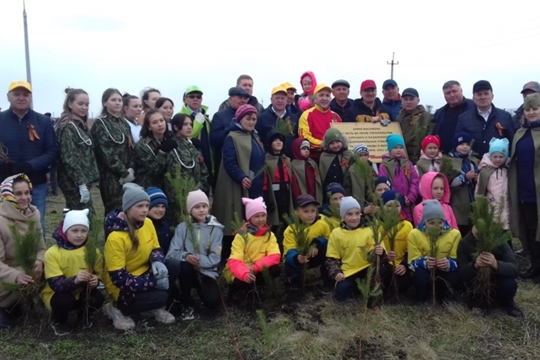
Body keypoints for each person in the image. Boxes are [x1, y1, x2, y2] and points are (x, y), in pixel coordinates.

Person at [103, 184, 175, 330]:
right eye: (140, 206)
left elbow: (156, 248)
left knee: (173, 266)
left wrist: (157, 261)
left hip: (144, 272)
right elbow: (119, 278)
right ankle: (117, 308)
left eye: (147, 205)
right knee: (160, 296)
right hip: (122, 286)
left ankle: (152, 307)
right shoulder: (115, 237)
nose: (145, 210)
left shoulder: (147, 223)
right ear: (128, 208)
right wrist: (153, 283)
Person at [0, 80, 59, 232]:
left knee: (36, 226)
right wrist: (3, 164)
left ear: (31, 97)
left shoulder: (43, 121)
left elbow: (52, 151)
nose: (21, 98)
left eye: (25, 94)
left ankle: (37, 255)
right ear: (8, 97)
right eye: (17, 94)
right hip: (4, 184)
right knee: (6, 227)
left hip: (36, 185)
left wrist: (30, 165)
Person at [213, 104, 265, 261]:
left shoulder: (254, 136)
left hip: (255, 183)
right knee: (235, 221)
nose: (251, 122)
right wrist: (241, 177)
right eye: (248, 118)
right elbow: (229, 162)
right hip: (238, 185)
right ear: (239, 119)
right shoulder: (232, 137)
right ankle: (230, 258)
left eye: (254, 119)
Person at [41, 209, 104, 335]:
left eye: (83, 231)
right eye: (74, 230)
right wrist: (75, 280)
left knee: (97, 297)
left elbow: (98, 274)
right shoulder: (53, 253)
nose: (79, 235)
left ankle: (83, 317)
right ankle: (60, 321)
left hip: (81, 292)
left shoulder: (93, 252)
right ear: (65, 231)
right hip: (58, 295)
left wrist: (95, 282)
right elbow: (56, 285)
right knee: (63, 300)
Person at [166, 190, 222, 320]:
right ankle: (187, 302)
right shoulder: (182, 228)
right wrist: (186, 256)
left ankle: (204, 295)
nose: (201, 210)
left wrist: (200, 261)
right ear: (190, 210)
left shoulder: (216, 229)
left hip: (207, 272)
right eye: (197, 207)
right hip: (189, 270)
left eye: (204, 206)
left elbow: (215, 258)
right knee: (185, 267)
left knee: (213, 302)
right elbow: (171, 254)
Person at [0, 174, 47, 329]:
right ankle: (4, 309)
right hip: (8, 275)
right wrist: (17, 276)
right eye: (18, 193)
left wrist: (40, 261)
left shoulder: (34, 214)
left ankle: (24, 305)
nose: (25, 197)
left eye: (27, 192)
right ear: (8, 195)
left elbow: (41, 247)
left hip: (28, 269)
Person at [326, 197, 385, 304]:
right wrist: (336, 273)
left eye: (357, 213)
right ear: (343, 216)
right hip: (349, 271)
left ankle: (373, 300)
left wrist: (380, 253)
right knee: (342, 292)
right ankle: (357, 289)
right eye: (349, 214)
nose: (354, 218)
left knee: (382, 273)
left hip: (368, 269)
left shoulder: (371, 229)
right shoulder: (336, 233)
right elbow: (332, 259)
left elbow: (379, 258)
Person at [223, 197, 281, 303]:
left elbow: (275, 256)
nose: (261, 219)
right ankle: (236, 293)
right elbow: (234, 260)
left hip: (257, 267)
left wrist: (254, 267)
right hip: (241, 269)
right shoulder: (241, 236)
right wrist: (245, 273)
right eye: (256, 216)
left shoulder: (269, 235)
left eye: (263, 215)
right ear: (249, 218)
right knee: (241, 282)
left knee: (275, 269)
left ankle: (256, 289)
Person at [457, 226, 522, 317]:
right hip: (476, 282)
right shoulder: (464, 243)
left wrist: (496, 264)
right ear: (472, 226)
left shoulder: (499, 241)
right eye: (478, 226)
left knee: (509, 284)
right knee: (470, 286)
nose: (482, 231)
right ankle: (478, 303)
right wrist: (474, 265)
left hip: (497, 280)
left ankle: (507, 304)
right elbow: (462, 273)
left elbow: (514, 269)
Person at [509, 93, 540, 278]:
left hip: (538, 189)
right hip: (524, 189)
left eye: (535, 108)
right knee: (530, 228)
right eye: (528, 109)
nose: (531, 112)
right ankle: (535, 265)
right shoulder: (520, 133)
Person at [55, 88, 99, 216]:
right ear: (70, 104)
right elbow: (69, 158)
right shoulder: (68, 127)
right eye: (80, 104)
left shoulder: (80, 126)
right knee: (86, 218)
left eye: (87, 104)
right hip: (73, 183)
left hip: (82, 182)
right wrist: (80, 184)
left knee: (75, 218)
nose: (84, 107)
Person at [91, 88, 135, 216]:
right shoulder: (101, 123)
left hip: (128, 175)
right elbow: (105, 152)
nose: (117, 103)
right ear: (105, 103)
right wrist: (123, 172)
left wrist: (131, 169)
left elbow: (131, 148)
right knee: (114, 212)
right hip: (110, 177)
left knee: (128, 210)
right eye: (113, 100)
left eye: (120, 100)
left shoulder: (124, 123)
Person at [408, 200, 461, 303]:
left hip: (443, 272)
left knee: (454, 276)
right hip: (425, 271)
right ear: (425, 222)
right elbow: (411, 263)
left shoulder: (455, 234)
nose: (437, 226)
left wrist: (449, 264)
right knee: (420, 275)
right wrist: (424, 262)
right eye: (432, 223)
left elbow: (457, 261)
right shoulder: (414, 234)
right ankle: (421, 298)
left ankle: (445, 298)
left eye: (440, 222)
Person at [456, 80, 514, 158]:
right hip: (473, 166)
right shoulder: (463, 119)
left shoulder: (505, 117)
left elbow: (512, 143)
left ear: (492, 96)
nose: (483, 97)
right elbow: (458, 144)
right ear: (473, 98)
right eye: (479, 94)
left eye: (486, 93)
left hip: (498, 167)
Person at [283, 194, 331, 289]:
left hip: (313, 257)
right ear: (297, 212)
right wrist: (297, 257)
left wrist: (317, 244)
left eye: (313, 211)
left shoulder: (322, 225)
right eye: (305, 211)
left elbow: (329, 239)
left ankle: (325, 279)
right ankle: (295, 286)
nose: (310, 215)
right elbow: (289, 249)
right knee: (290, 265)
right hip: (299, 260)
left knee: (327, 247)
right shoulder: (291, 229)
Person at [210, 87, 250, 178]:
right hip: (225, 165)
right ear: (230, 99)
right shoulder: (220, 116)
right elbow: (214, 141)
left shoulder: (250, 118)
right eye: (240, 97)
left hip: (246, 163)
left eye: (245, 98)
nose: (243, 100)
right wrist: (228, 129)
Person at [378, 134, 420, 222]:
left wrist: (411, 197)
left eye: (401, 147)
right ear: (390, 149)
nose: (399, 150)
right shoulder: (384, 165)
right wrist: (398, 198)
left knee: (407, 225)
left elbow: (414, 181)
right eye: (395, 147)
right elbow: (385, 183)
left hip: (408, 203)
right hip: (392, 203)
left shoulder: (408, 164)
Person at [180, 86, 214, 188]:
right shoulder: (180, 116)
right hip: (190, 163)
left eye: (198, 97)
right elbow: (185, 136)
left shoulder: (205, 116)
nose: (195, 99)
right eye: (192, 96)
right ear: (185, 99)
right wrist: (198, 123)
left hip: (207, 160)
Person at [133, 110, 176, 190]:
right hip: (149, 187)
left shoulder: (170, 138)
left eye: (161, 120)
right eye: (155, 122)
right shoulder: (143, 145)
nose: (160, 124)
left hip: (169, 185)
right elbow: (154, 170)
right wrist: (162, 153)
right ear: (149, 127)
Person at [298, 84, 343, 160]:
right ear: (315, 99)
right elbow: (304, 137)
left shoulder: (336, 116)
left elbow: (342, 136)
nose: (324, 98)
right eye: (321, 95)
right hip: (315, 158)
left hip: (336, 157)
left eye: (327, 95)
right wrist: (326, 145)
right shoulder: (307, 115)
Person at [380, 190, 413, 293]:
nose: (393, 209)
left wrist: (404, 265)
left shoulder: (407, 226)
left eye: (397, 206)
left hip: (400, 263)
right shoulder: (378, 225)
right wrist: (385, 258)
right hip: (384, 264)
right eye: (389, 205)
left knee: (404, 282)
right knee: (382, 275)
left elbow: (411, 250)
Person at [475, 138, 510, 233]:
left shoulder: (508, 170)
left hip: (506, 206)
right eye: (495, 156)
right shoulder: (485, 171)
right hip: (491, 206)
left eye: (501, 157)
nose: (498, 159)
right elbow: (479, 189)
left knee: (505, 232)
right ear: (490, 156)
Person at [169, 114, 209, 194]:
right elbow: (174, 174)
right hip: (181, 194)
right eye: (185, 124)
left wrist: (202, 187)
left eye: (191, 124)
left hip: (198, 191)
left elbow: (203, 168)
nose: (189, 127)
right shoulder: (172, 146)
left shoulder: (191, 145)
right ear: (176, 127)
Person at [448, 132, 479, 236]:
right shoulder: (450, 161)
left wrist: (476, 178)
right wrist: (464, 178)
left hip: (472, 198)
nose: (465, 147)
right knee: (460, 227)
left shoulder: (473, 161)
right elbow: (449, 182)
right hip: (458, 200)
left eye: (467, 144)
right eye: (461, 144)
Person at [256, 85, 298, 159]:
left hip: (288, 161)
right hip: (269, 161)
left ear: (286, 100)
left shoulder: (294, 118)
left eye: (282, 98)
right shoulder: (262, 118)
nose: (280, 101)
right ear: (271, 100)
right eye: (277, 98)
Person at [433, 80, 476, 154]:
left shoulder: (474, 107)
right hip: (444, 157)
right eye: (448, 93)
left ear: (461, 91)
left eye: (454, 91)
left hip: (468, 157)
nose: (452, 95)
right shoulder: (440, 113)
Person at [263, 131, 293, 228]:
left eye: (280, 140)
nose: (279, 142)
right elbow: (264, 180)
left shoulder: (287, 160)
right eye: (275, 140)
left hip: (286, 194)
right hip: (274, 195)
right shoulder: (265, 160)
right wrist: (266, 198)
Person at [395, 88, 432, 163]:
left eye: (411, 99)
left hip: (420, 159)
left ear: (418, 100)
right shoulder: (398, 118)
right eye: (405, 99)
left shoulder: (426, 117)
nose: (408, 102)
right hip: (401, 158)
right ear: (401, 101)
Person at [319, 128, 352, 201]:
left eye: (337, 142)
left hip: (345, 189)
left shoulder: (348, 155)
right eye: (332, 143)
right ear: (327, 145)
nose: (335, 145)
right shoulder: (324, 156)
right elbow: (322, 176)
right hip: (328, 191)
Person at [344, 144, 377, 213]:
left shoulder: (371, 169)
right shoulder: (352, 170)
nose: (363, 157)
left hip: (371, 203)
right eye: (360, 155)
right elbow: (347, 188)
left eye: (365, 155)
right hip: (357, 201)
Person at [290, 137, 323, 203]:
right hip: (301, 197)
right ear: (297, 149)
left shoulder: (312, 163)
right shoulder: (293, 165)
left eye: (308, 148)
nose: (307, 151)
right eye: (303, 148)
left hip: (313, 195)